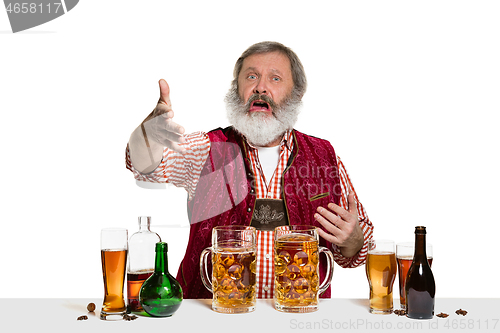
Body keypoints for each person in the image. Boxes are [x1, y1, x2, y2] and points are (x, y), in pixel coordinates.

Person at [126, 41, 373, 299]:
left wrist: (353, 240)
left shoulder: (324, 155)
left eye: (275, 78)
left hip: (297, 317)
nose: (260, 87)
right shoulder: (207, 148)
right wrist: (148, 134)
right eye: (251, 76)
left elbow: (359, 244)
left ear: (296, 95)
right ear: (237, 89)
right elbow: (145, 166)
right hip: (209, 317)